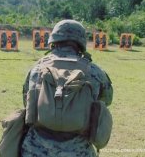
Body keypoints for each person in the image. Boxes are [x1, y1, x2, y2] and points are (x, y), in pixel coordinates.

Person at [21, 20, 113, 157]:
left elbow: (26, 101)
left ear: (54, 39)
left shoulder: (37, 69)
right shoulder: (94, 71)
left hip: (34, 149)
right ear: (81, 42)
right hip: (79, 151)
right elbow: (106, 100)